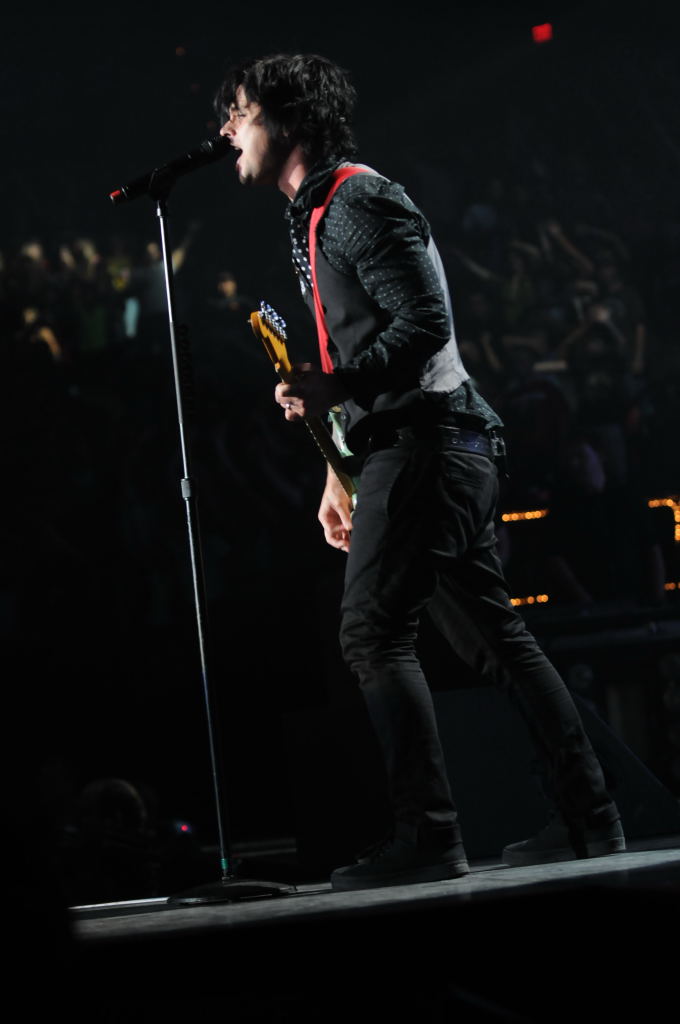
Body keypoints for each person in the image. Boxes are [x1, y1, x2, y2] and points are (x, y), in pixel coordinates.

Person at [215, 54, 625, 891]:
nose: (225, 129)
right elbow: (367, 353)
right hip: (423, 448)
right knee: (496, 640)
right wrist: (339, 470)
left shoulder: (358, 199)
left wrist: (340, 386)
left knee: (372, 631)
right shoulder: (317, 214)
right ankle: (589, 816)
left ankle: (429, 834)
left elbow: (425, 322)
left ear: (289, 119)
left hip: (429, 447)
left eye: (239, 112)